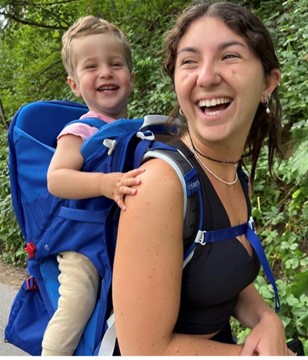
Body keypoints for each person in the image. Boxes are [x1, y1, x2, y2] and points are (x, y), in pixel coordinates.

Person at [112, 2, 293, 356]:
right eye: (190, 61)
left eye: (229, 56)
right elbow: (143, 351)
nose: (206, 77)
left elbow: (218, 273)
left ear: (268, 83)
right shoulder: (159, 187)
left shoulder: (234, 174)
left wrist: (266, 318)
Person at [42, 16, 143, 356]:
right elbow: (56, 179)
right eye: (91, 66)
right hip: (83, 243)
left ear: (131, 76)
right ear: (74, 84)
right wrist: (103, 183)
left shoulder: (139, 130)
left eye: (116, 64)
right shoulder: (80, 130)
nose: (105, 72)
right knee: (79, 300)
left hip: (121, 238)